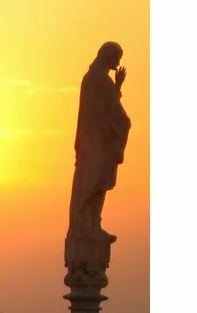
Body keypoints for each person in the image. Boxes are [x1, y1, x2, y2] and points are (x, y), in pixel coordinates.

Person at [68, 41, 131, 242]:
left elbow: (107, 105)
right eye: (116, 58)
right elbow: (109, 110)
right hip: (96, 143)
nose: (117, 63)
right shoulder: (98, 78)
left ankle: (93, 224)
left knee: (98, 183)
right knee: (93, 182)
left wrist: (117, 86)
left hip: (96, 141)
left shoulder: (95, 78)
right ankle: (88, 225)